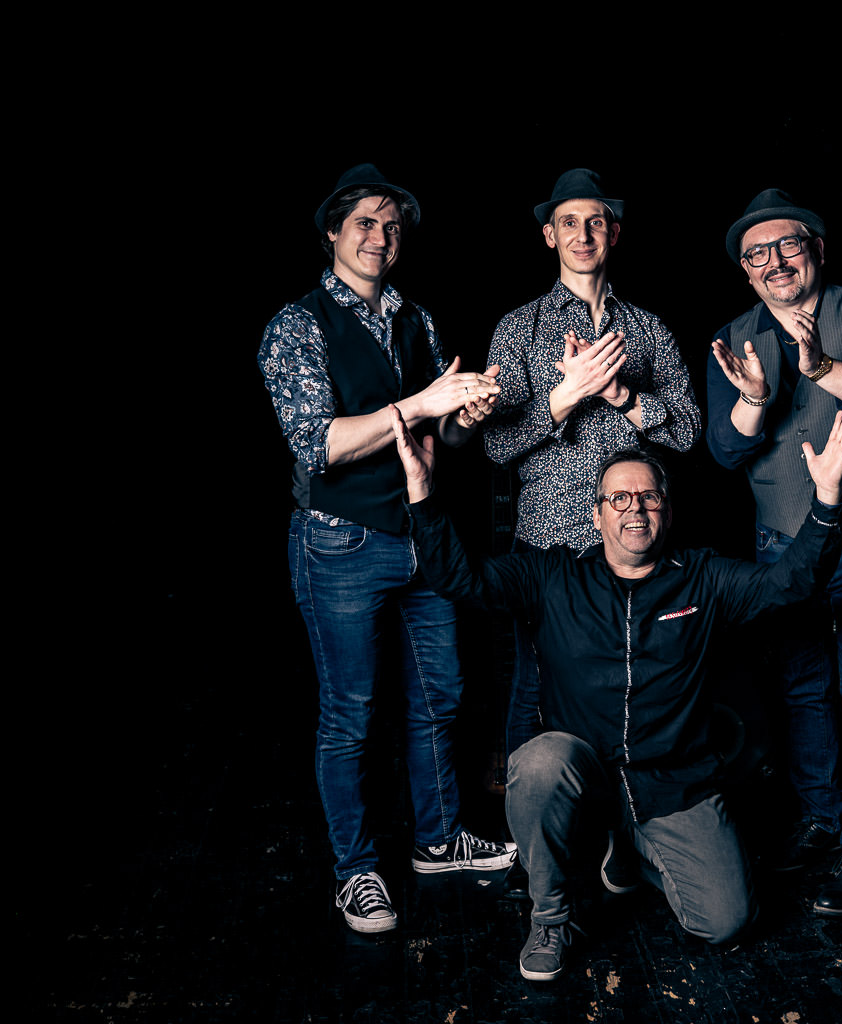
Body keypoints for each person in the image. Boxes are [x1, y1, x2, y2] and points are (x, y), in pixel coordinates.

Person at [393, 403, 842, 981]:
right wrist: (422, 492)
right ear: (596, 515)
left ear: (667, 510)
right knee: (538, 762)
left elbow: (792, 584)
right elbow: (460, 579)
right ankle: (553, 917)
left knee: (726, 921)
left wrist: (827, 499)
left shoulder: (703, 578)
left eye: (648, 497)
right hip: (584, 775)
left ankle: (632, 848)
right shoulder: (552, 576)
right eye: (618, 498)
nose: (634, 508)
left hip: (673, 782)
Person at [258, 164, 514, 934]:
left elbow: (442, 437)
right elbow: (318, 444)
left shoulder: (415, 318)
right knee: (351, 715)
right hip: (340, 542)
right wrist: (424, 400)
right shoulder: (296, 325)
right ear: (332, 232)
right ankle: (356, 871)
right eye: (365, 222)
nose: (380, 237)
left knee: (440, 695)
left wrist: (466, 413)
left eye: (392, 226)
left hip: (421, 538)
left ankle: (438, 840)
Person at [707, 189, 842, 914]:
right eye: (756, 255)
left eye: (787, 245)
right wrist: (754, 399)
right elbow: (725, 451)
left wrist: (822, 365)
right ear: (745, 271)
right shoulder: (732, 337)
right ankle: (824, 816)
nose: (773, 262)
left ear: (817, 250)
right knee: (803, 688)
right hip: (785, 546)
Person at [483, 168, 700, 754]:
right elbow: (495, 445)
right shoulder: (519, 328)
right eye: (569, 223)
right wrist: (564, 397)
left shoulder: (647, 329)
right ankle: (530, 802)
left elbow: (687, 433)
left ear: (614, 233)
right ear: (549, 235)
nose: (583, 235)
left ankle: (623, 799)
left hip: (632, 541)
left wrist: (621, 395)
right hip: (549, 542)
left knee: (632, 681)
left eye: (596, 222)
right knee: (535, 683)